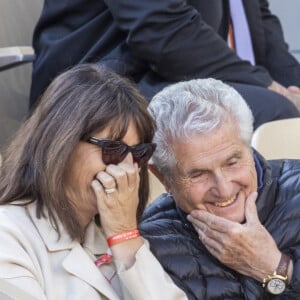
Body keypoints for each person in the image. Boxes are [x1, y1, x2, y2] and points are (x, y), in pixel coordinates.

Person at [0, 64, 187, 300]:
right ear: (61, 143)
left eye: (138, 153)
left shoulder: (117, 237)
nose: (127, 168)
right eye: (112, 150)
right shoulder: (8, 234)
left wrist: (125, 237)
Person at [139, 78, 300, 299]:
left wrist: (275, 266)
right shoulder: (149, 244)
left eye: (232, 163)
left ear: (249, 149)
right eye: (198, 174)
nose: (223, 190)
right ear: (163, 177)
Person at [29, 0, 300, 129]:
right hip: (104, 86)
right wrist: (268, 86)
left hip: (178, 76)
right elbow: (162, 29)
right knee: (272, 111)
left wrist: (292, 87)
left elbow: (259, 22)